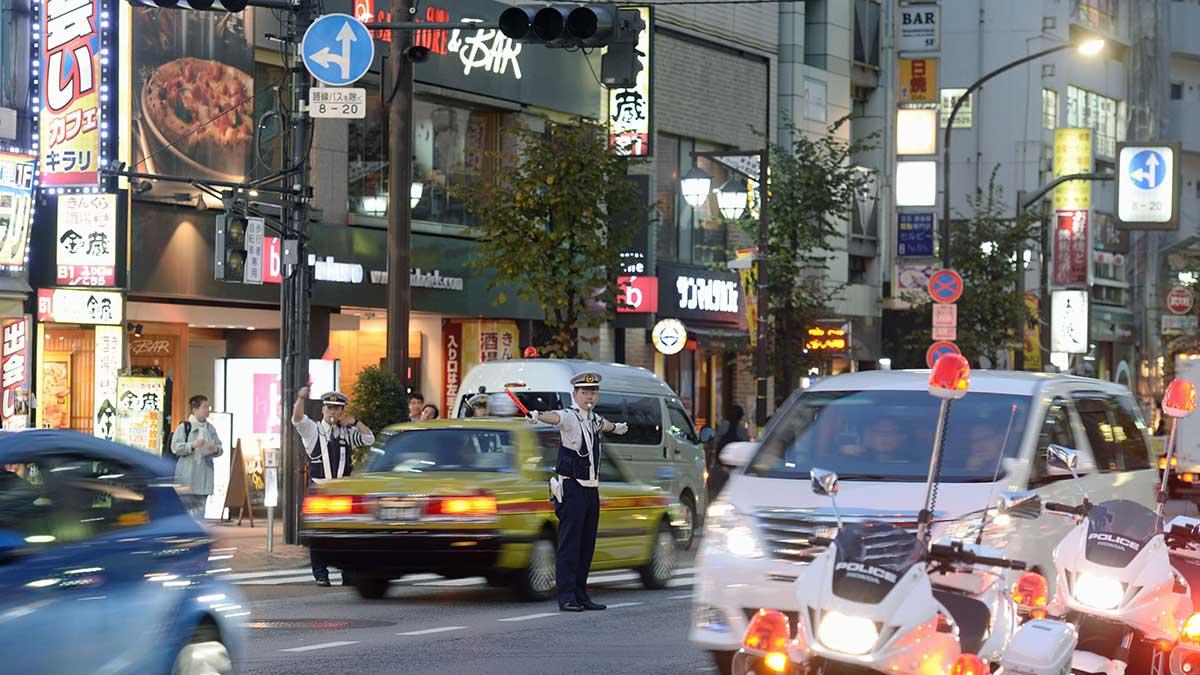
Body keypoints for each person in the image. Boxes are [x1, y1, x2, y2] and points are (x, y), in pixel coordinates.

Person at [526, 372, 628, 612]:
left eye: (593, 392)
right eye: (584, 392)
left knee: (586, 545)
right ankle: (566, 596)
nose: (589, 396)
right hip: (572, 487)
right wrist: (537, 415)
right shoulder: (570, 416)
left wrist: (618, 427)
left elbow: (607, 425)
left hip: (592, 488)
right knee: (570, 544)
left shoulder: (593, 419)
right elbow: (554, 418)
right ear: (575, 395)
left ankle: (581, 594)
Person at [292, 386, 376, 586]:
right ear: (323, 409)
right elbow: (297, 419)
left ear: (342, 411)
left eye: (337, 409)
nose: (333, 412)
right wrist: (300, 398)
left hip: (342, 491)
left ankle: (347, 574)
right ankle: (321, 573)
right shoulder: (314, 429)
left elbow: (369, 438)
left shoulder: (346, 433)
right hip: (320, 490)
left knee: (346, 535)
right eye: (329, 408)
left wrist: (355, 421)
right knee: (319, 535)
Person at [171, 395, 223, 519]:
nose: (207, 411)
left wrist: (215, 449)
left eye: (208, 407)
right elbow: (175, 448)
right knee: (186, 514)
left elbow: (220, 448)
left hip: (205, 477)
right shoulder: (185, 427)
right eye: (204, 407)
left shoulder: (210, 428)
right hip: (187, 477)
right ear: (195, 410)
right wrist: (192, 445)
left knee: (200, 515)